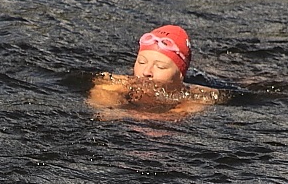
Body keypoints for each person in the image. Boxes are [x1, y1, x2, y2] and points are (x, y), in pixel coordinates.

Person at [87, 25, 228, 119]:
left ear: (180, 74)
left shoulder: (198, 97)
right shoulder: (116, 83)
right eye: (141, 62)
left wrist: (126, 114)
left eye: (160, 66)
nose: (146, 71)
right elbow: (100, 102)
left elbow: (171, 120)